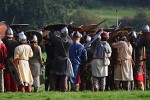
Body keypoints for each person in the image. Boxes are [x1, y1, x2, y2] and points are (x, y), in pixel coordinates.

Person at [49, 27, 72, 92]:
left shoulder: (58, 40)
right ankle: (64, 89)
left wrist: (54, 29)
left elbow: (51, 35)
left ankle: (53, 89)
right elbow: (70, 37)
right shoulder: (70, 41)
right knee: (64, 76)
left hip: (57, 60)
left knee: (53, 75)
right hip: (65, 60)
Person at [2, 27, 19, 92]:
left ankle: (8, 89)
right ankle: (14, 89)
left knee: (7, 75)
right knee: (14, 74)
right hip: (14, 59)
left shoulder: (4, 41)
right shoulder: (16, 42)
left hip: (6, 60)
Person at [136, 25, 150, 90]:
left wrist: (138, 38)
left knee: (148, 71)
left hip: (149, 56)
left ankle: (147, 86)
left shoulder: (145, 36)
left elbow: (138, 44)